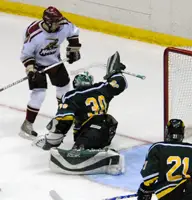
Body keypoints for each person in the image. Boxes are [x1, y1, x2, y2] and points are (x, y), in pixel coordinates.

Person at [32, 52, 127, 175]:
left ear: (75, 83)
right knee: (98, 128)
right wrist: (116, 72)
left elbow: (64, 119)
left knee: (78, 147)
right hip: (107, 131)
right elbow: (119, 83)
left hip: (89, 132)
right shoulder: (102, 88)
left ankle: (85, 151)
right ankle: (98, 152)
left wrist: (51, 140)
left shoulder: (71, 95)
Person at [20, 6, 81, 139]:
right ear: (48, 23)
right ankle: (27, 124)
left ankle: (63, 117)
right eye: (56, 22)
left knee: (64, 87)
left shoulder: (64, 25)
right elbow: (26, 55)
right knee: (39, 94)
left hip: (55, 62)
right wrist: (31, 69)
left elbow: (74, 31)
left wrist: (73, 49)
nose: (59, 24)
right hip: (37, 66)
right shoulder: (35, 34)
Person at [137, 119, 192, 200]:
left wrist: (146, 189)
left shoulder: (158, 148)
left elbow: (149, 177)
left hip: (168, 195)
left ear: (167, 132)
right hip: (191, 194)